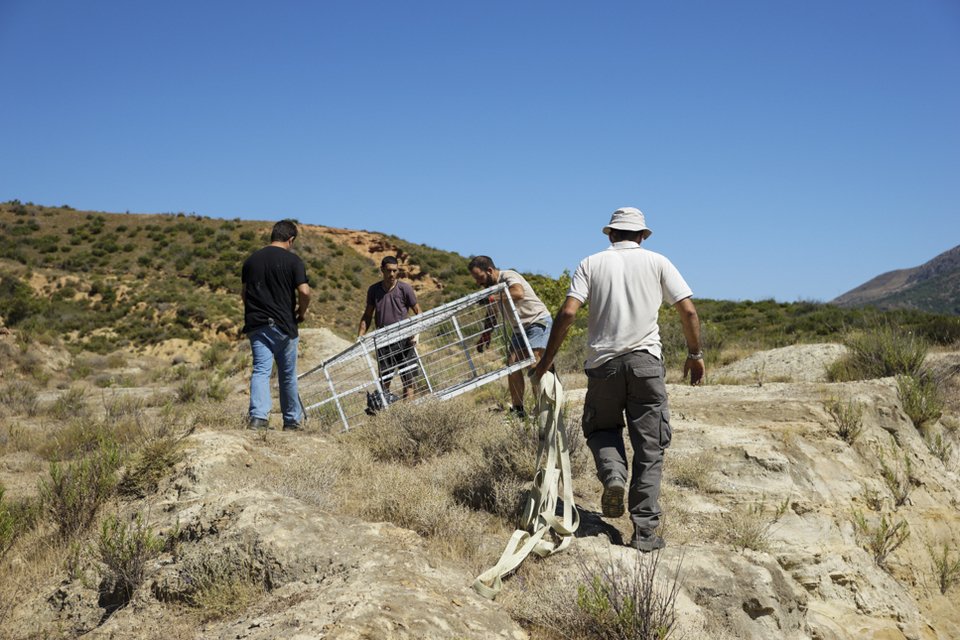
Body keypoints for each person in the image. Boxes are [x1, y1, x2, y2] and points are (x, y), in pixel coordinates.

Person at [532, 207, 704, 552]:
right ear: (642, 235)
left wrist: (545, 363)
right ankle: (644, 534)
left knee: (601, 429)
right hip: (646, 365)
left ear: (610, 234)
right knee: (650, 447)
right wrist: (694, 354)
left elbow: (568, 312)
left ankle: (613, 475)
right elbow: (687, 310)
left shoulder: (591, 263)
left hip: (604, 366)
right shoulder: (658, 262)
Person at [241, 219, 311, 431]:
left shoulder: (251, 261)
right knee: (287, 375)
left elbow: (244, 294)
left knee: (261, 371)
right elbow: (305, 291)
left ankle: (258, 418)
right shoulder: (293, 261)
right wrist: (301, 312)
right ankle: (291, 421)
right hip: (285, 326)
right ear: (291, 239)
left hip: (257, 325)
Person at [468, 255, 553, 418]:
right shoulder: (493, 289)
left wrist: (492, 298)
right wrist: (486, 335)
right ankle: (518, 410)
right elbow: (492, 313)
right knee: (512, 365)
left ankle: (542, 408)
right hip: (518, 329)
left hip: (536, 321)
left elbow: (518, 293)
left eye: (479, 277)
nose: (478, 282)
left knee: (534, 363)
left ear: (489, 270)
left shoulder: (508, 276)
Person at [358, 256, 422, 400]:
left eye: (395, 270)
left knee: (409, 379)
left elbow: (418, 312)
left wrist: (416, 333)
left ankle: (409, 411)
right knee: (385, 380)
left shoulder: (405, 288)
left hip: (405, 339)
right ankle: (385, 409)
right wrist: (360, 337)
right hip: (383, 341)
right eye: (388, 270)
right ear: (382, 270)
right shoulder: (374, 290)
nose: (392, 274)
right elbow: (367, 315)